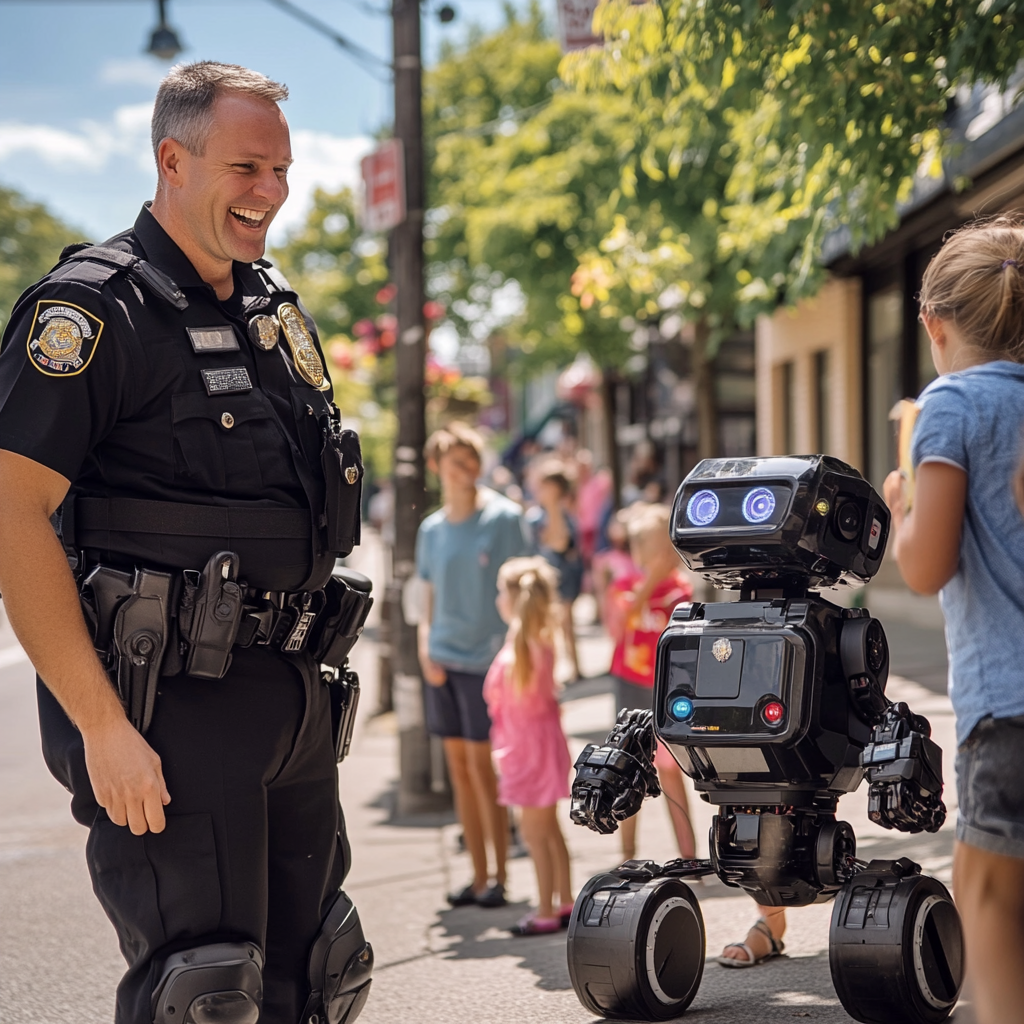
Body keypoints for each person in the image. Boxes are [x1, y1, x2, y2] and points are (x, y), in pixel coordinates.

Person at [0, 62, 371, 1023]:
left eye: (282, 171)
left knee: (318, 981)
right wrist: (102, 728)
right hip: (169, 713)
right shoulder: (90, 312)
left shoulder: (267, 308)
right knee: (206, 993)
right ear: (173, 159)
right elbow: (10, 515)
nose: (272, 193)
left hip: (292, 698)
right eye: (247, 168)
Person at [882, 218, 1024, 1024]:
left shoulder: (950, 404)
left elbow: (926, 565)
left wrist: (903, 507)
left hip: (1006, 710)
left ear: (934, 326)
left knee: (988, 900)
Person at [416, 422, 530, 908]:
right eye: (456, 461)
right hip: (442, 659)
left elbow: (526, 591)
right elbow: (427, 596)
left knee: (486, 772)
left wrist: (520, 655)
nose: (467, 470)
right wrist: (424, 646)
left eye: (473, 459)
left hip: (488, 663)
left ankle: (500, 876)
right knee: (459, 771)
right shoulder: (432, 529)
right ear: (436, 467)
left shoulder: (504, 519)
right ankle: (478, 875)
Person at [484, 556, 574, 935]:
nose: (496, 600)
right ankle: (565, 899)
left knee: (535, 834)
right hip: (543, 745)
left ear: (512, 598)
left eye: (498, 592)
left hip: (527, 750)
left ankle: (544, 909)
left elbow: (498, 697)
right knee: (550, 829)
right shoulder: (539, 640)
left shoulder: (521, 647)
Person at [606, 503, 697, 863]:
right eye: (647, 548)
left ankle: (689, 858)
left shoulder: (679, 591)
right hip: (629, 683)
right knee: (626, 768)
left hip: (665, 688)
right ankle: (627, 856)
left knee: (670, 773)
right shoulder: (627, 586)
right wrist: (647, 585)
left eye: (662, 549)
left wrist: (661, 579)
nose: (657, 557)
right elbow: (620, 620)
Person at [526, 459, 584, 680]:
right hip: (543, 576)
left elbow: (560, 542)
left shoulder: (564, 515)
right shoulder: (534, 517)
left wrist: (553, 507)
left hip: (565, 574)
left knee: (566, 622)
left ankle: (574, 667)